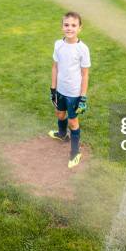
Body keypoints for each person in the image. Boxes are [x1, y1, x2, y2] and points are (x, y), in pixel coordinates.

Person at [48, 11, 90, 168]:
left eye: (74, 25)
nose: (69, 28)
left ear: (80, 28)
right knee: (59, 113)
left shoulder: (82, 49)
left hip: (73, 93)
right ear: (62, 27)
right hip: (60, 89)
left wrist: (83, 97)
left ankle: (75, 152)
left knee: (73, 121)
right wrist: (53, 89)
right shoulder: (58, 44)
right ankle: (61, 134)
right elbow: (55, 67)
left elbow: (85, 75)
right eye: (66, 25)